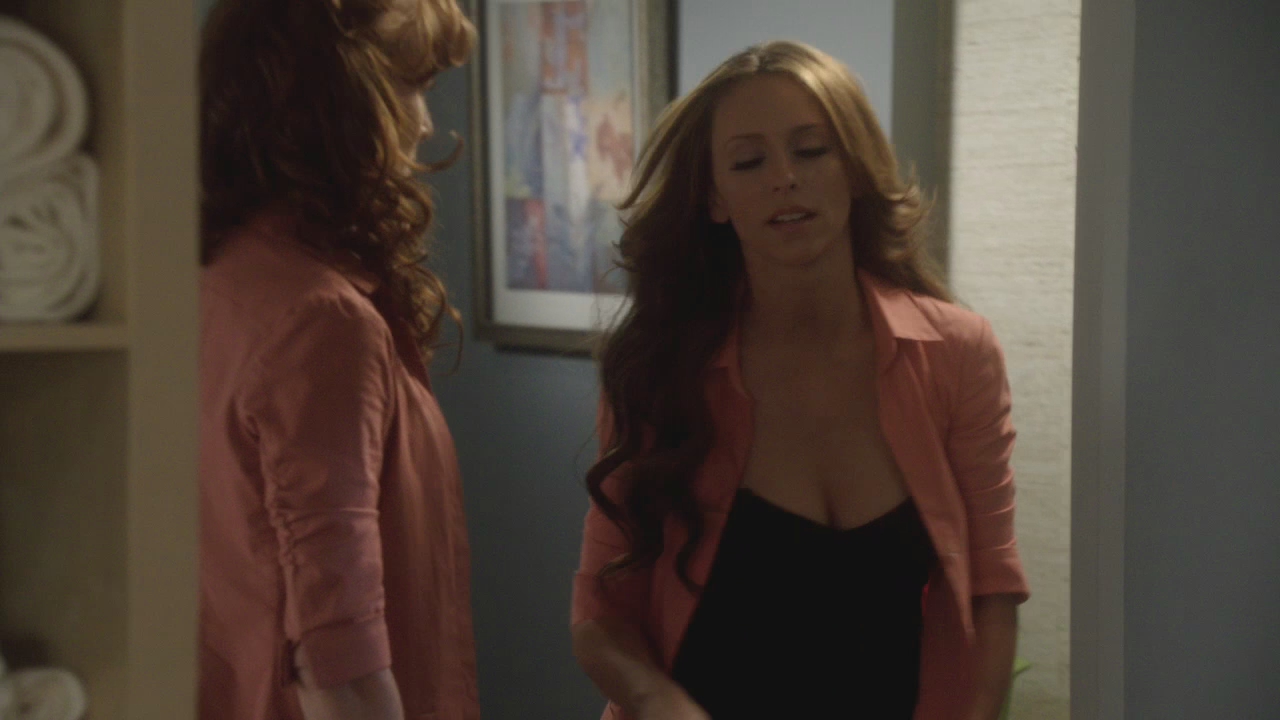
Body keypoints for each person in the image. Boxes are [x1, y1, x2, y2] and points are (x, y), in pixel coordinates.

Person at [571, 40, 1030, 720]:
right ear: (716, 199)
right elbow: (600, 613)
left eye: (811, 151)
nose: (784, 178)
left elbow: (992, 587)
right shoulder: (662, 369)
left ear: (854, 169)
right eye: (749, 162)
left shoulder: (956, 355)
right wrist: (659, 701)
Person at [197, 1, 477, 719]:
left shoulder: (217, 278)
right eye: (411, 85)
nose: (424, 123)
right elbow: (339, 658)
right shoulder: (322, 319)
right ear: (337, 95)